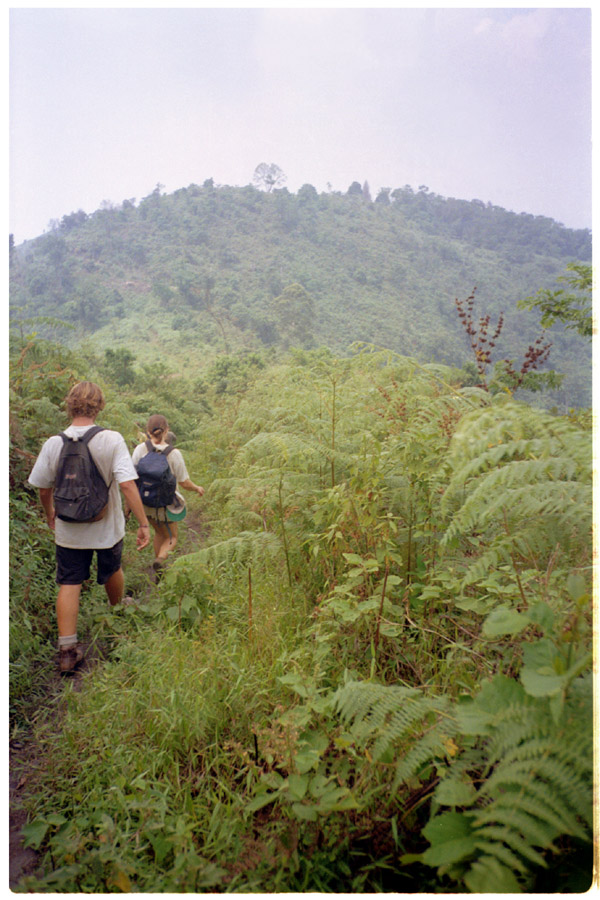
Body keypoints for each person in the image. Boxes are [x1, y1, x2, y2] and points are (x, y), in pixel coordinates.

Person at [28, 381, 151, 673]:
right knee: (111, 569)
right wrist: (144, 522)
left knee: (69, 582)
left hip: (68, 528)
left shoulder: (53, 443)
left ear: (69, 405)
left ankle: (68, 651)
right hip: (106, 526)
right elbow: (127, 485)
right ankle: (117, 616)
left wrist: (50, 515)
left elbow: (44, 489)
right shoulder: (111, 439)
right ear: (99, 406)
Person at [131, 414, 204, 571]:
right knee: (171, 537)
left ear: (147, 432)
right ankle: (161, 560)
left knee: (159, 533)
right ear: (167, 430)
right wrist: (197, 488)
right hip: (166, 504)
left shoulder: (140, 449)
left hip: (145, 503)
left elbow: (132, 479)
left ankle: (159, 568)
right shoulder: (173, 453)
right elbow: (184, 482)